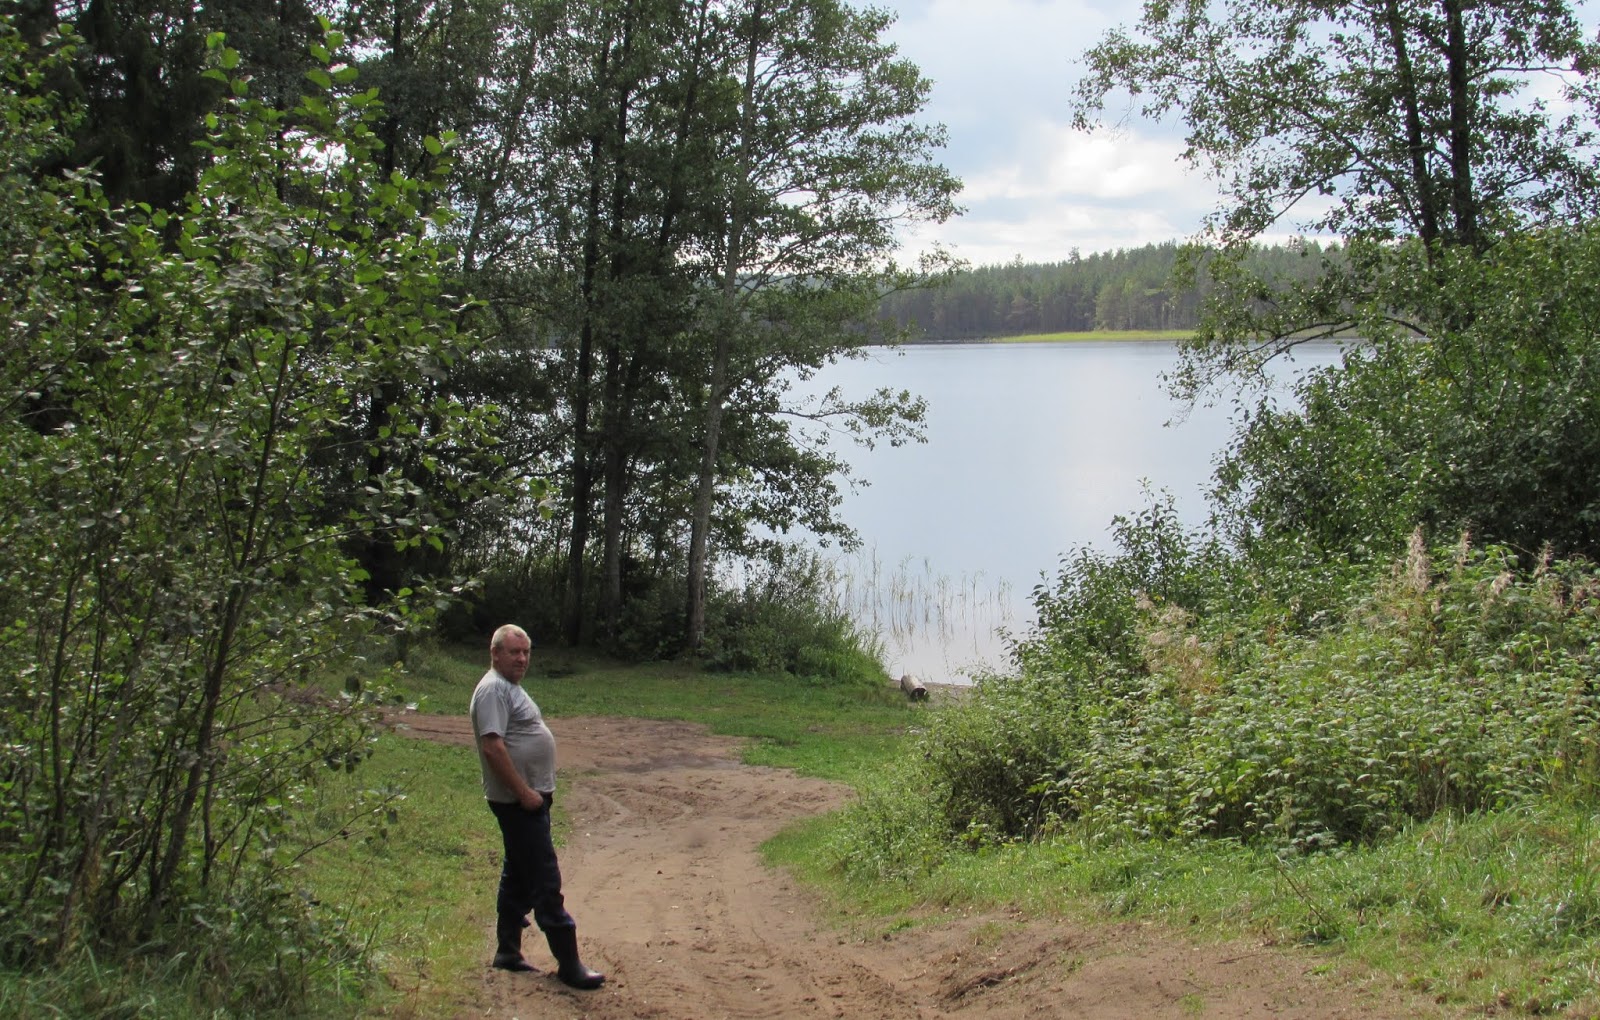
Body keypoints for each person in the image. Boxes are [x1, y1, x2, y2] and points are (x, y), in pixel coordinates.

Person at [468, 623, 605, 989]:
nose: (522, 658)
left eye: (526, 652)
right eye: (514, 652)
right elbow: (492, 746)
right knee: (545, 879)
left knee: (518, 873)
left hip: (528, 798)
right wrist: (524, 793)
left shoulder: (508, 687)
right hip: (519, 800)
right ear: (495, 653)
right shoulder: (493, 690)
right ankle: (570, 965)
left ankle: (508, 951)